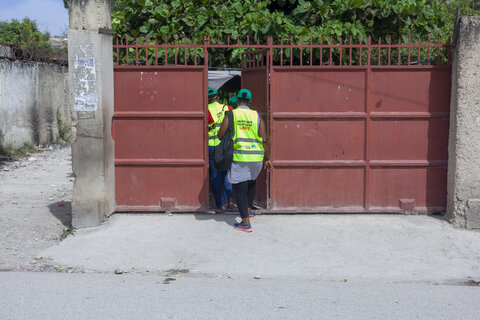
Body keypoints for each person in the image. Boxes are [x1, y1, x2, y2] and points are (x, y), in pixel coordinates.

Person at [218, 89, 272, 232]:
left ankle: (245, 222)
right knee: (251, 182)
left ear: (236, 100)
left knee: (240, 189)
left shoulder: (232, 114)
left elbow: (220, 135)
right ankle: (249, 210)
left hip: (240, 156)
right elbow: (264, 139)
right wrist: (267, 159)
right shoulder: (256, 116)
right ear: (249, 101)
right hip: (257, 157)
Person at [207, 88, 234, 211]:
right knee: (227, 173)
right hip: (227, 146)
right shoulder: (228, 108)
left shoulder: (207, 110)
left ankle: (220, 204)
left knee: (215, 175)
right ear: (217, 97)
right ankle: (230, 199)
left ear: (208, 99)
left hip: (213, 145)